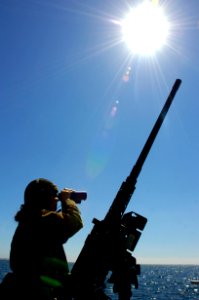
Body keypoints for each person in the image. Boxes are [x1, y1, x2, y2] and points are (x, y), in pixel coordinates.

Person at [0, 178, 84, 300]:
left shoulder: (29, 221)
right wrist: (67, 200)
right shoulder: (39, 220)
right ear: (44, 199)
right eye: (55, 197)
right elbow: (74, 222)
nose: (57, 200)